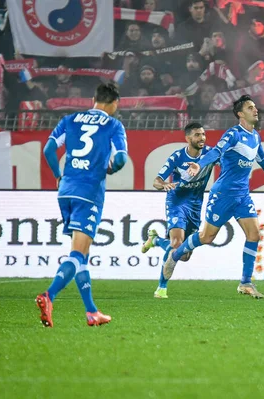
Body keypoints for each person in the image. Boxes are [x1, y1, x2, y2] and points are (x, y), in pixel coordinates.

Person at [161, 95, 264, 299]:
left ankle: (245, 283)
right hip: (223, 195)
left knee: (254, 235)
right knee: (206, 237)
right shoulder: (233, 134)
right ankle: (175, 255)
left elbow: (262, 159)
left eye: (255, 107)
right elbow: (216, 152)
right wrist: (199, 164)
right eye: (250, 107)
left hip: (242, 196)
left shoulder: (255, 136)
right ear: (240, 113)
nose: (256, 110)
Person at [35, 83, 128, 328]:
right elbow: (120, 159)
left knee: (82, 255)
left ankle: (91, 312)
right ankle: (49, 295)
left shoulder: (70, 119)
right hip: (89, 192)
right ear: (114, 103)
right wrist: (108, 168)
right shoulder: (113, 125)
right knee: (77, 253)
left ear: (93, 98)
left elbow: (48, 149)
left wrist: (58, 175)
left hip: (66, 191)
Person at [141, 122, 215, 299]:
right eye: (197, 135)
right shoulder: (176, 157)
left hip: (196, 205)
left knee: (184, 255)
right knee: (176, 243)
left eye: (203, 134)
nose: (202, 138)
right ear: (188, 138)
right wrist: (164, 184)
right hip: (177, 202)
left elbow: (227, 162)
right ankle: (161, 288)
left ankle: (156, 240)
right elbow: (156, 181)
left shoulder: (210, 154)